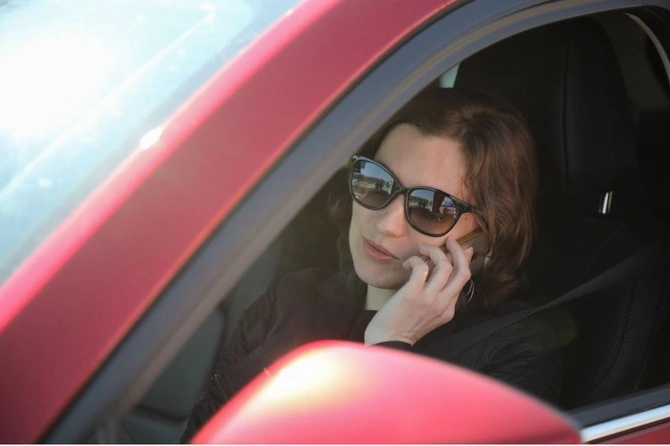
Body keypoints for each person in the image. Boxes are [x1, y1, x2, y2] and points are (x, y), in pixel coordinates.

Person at [180, 87, 562, 442]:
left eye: (430, 208)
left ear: (485, 236)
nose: (387, 224)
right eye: (377, 182)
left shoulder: (511, 356)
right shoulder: (291, 300)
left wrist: (388, 345)